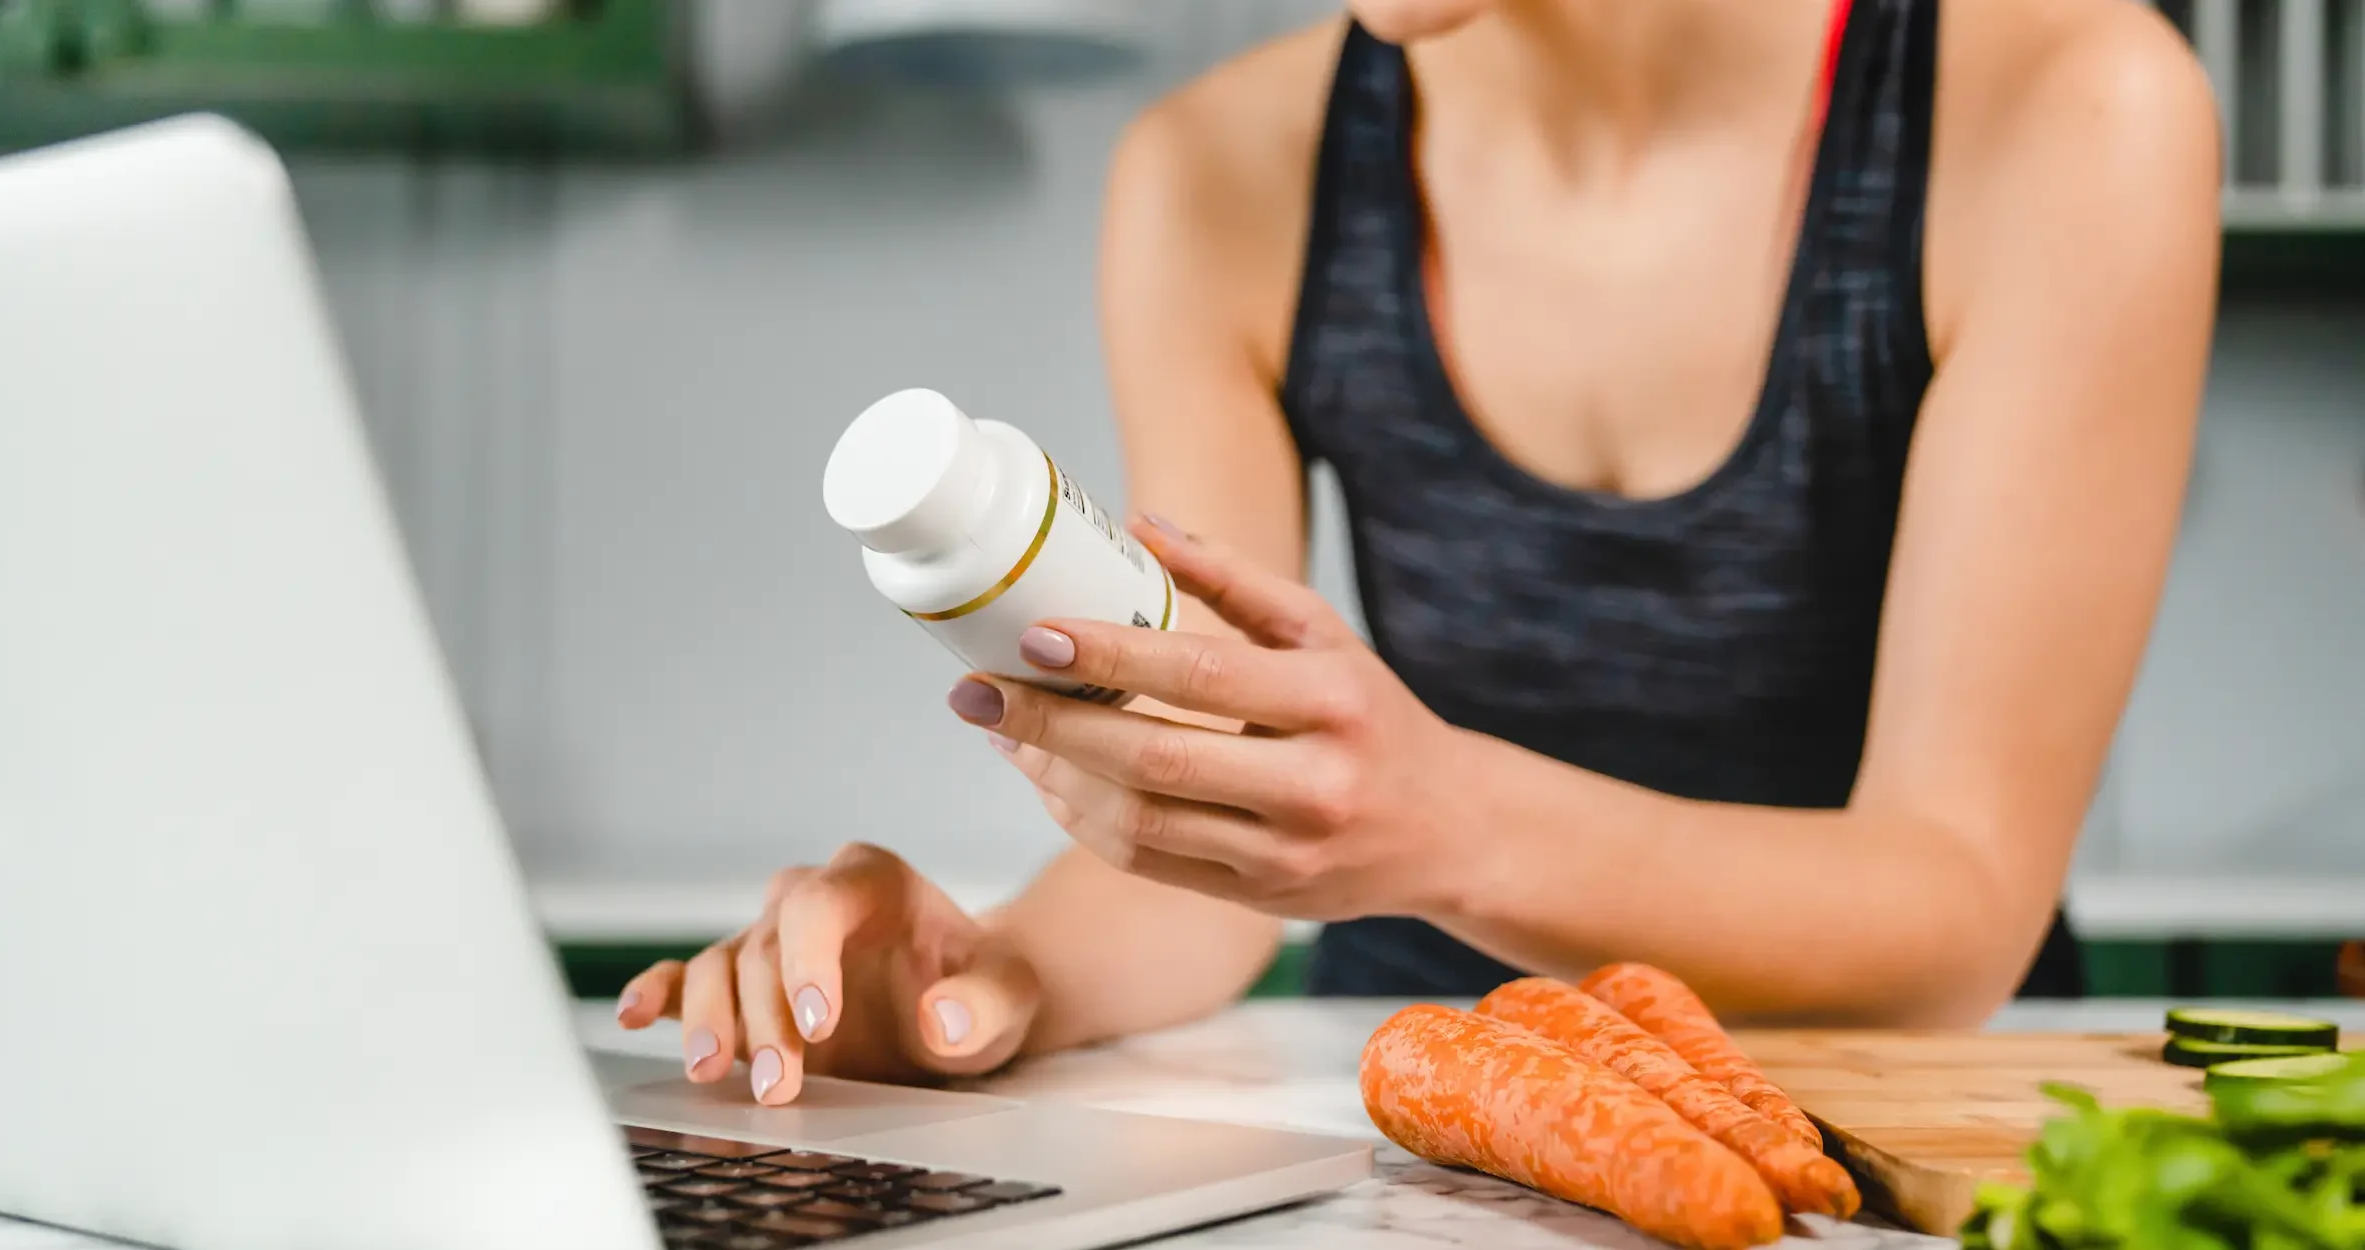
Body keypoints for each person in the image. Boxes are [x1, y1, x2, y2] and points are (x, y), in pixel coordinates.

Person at [619, 0, 2222, 1103]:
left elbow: (1954, 907)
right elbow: (1213, 865)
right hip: (1420, 1101)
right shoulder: (1220, 175)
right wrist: (982, 975)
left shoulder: (2071, 104)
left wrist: (1442, 824)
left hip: (1890, 1112)